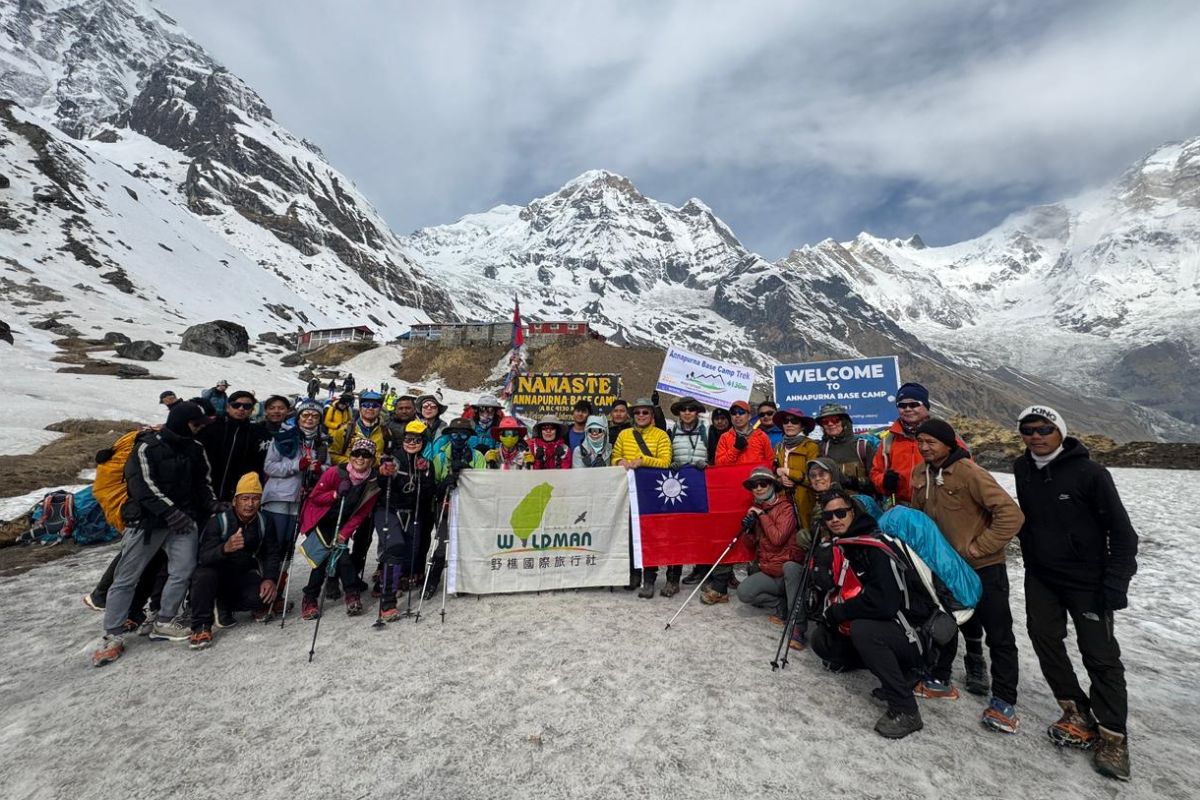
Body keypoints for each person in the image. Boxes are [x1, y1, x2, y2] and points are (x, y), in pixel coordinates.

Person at [1012, 405, 1137, 781]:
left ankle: (1114, 737)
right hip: (1042, 577)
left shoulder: (1091, 473)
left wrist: (1117, 581)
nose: (1036, 435)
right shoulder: (1022, 469)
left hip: (1088, 581)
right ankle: (1075, 711)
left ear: (1060, 431)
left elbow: (1123, 533)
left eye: (1044, 429)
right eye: (1028, 430)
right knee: (1044, 639)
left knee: (1100, 655)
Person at [910, 418, 1024, 734]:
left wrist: (978, 549)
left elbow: (1011, 515)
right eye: (920, 442)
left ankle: (1004, 701)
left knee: (999, 633)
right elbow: (918, 517)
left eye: (930, 441)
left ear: (949, 443)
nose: (924, 447)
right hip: (944, 567)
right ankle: (940, 678)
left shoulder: (970, 473)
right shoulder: (920, 474)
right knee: (946, 623)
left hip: (983, 568)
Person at [91, 402, 217, 666]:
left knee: (182, 570)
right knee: (126, 577)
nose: (198, 430)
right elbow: (142, 486)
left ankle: (164, 620)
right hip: (147, 523)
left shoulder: (196, 449)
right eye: (196, 424)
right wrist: (171, 512)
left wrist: (212, 504)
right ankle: (112, 634)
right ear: (183, 422)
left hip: (183, 521)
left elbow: (203, 483)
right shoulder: (148, 447)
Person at [809, 490, 940, 739]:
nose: (835, 519)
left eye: (840, 513)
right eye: (828, 515)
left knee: (863, 631)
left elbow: (885, 603)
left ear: (854, 512)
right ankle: (894, 672)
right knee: (822, 640)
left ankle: (905, 709)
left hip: (913, 633)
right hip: (891, 627)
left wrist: (839, 612)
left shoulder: (875, 546)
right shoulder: (848, 544)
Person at [187, 473, 280, 648]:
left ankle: (224, 605)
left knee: (263, 598)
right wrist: (225, 548)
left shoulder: (264, 521)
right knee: (203, 576)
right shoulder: (218, 522)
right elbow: (203, 557)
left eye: (255, 499)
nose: (250, 504)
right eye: (245, 498)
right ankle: (201, 625)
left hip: (242, 572)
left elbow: (271, 553)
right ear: (235, 500)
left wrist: (270, 578)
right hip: (216, 573)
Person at [297, 439, 381, 618]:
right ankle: (336, 595)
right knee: (326, 557)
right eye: (356, 454)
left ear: (372, 460)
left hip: (341, 523)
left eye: (366, 455)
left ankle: (316, 596)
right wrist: (334, 494)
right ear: (350, 456)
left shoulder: (372, 483)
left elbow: (361, 513)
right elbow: (315, 497)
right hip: (321, 519)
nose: (360, 458)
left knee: (339, 555)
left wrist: (345, 533)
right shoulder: (336, 473)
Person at [261, 400, 328, 614]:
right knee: (274, 547)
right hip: (279, 498)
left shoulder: (322, 441)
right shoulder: (284, 437)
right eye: (305, 415)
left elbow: (329, 468)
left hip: (303, 500)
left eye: (314, 416)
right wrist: (295, 466)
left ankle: (277, 592)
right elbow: (269, 466)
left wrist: (320, 469)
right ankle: (265, 595)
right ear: (298, 417)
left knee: (287, 548)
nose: (309, 419)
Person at [731, 467, 805, 650]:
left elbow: (778, 538)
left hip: (788, 570)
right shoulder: (759, 510)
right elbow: (751, 545)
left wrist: (762, 516)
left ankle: (798, 626)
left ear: (772, 485)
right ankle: (783, 604)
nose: (758, 488)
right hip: (770, 569)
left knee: (790, 568)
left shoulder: (786, 507)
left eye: (763, 483)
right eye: (754, 486)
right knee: (744, 592)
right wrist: (748, 529)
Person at [375, 421, 436, 621]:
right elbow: (381, 484)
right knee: (394, 546)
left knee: (410, 549)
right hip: (389, 509)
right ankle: (388, 601)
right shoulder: (392, 460)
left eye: (417, 440)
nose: (412, 443)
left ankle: (390, 582)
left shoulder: (426, 464)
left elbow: (427, 494)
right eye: (408, 439)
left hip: (413, 511)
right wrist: (383, 473)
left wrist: (425, 475)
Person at [611, 397, 673, 597]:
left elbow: (665, 462)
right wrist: (620, 460)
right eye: (637, 412)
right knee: (629, 532)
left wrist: (642, 461)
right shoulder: (624, 434)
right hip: (628, 491)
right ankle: (634, 573)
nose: (640, 416)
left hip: (652, 492)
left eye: (645, 412)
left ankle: (649, 577)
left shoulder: (661, 435)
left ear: (651, 415)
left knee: (650, 534)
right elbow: (614, 456)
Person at [424, 418, 487, 599]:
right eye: (454, 434)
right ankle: (432, 582)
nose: (458, 438)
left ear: (469, 437)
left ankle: (463, 580)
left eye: (463, 434)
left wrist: (468, 474)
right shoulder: (441, 457)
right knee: (443, 542)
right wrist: (445, 483)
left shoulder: (477, 457)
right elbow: (433, 488)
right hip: (444, 505)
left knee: (467, 543)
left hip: (469, 508)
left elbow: (482, 485)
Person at [870, 382, 964, 505]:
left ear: (926, 406)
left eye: (914, 404)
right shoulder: (889, 439)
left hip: (940, 506)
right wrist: (884, 482)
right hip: (902, 508)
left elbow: (967, 468)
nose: (908, 409)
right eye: (902, 405)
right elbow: (876, 472)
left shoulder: (945, 434)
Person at [198, 389, 269, 502]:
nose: (241, 409)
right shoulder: (210, 427)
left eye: (246, 406)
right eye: (236, 405)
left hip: (239, 494)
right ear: (228, 407)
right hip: (206, 490)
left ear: (252, 410)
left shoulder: (257, 433)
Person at [815, 402, 877, 495]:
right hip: (833, 504)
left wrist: (851, 482)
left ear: (844, 422)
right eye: (825, 421)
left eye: (835, 420)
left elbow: (876, 482)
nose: (830, 424)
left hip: (863, 505)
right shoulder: (823, 449)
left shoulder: (862, 447)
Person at [773, 409, 819, 529]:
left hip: (807, 503)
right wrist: (779, 479)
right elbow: (773, 474)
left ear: (802, 426)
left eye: (794, 421)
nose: (789, 424)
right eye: (785, 421)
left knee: (807, 538)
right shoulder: (779, 447)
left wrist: (789, 472)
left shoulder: (811, 447)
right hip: (784, 504)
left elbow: (816, 480)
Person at [330, 390, 387, 466]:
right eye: (366, 405)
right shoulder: (345, 430)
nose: (370, 408)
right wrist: (354, 463)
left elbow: (385, 457)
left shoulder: (385, 432)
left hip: (374, 476)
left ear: (380, 409)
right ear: (360, 408)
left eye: (375, 405)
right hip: (347, 475)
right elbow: (332, 455)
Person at [714, 401, 773, 466]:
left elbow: (770, 462)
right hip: (733, 475)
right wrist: (735, 449)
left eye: (741, 412)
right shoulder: (724, 437)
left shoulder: (762, 436)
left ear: (749, 416)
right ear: (731, 417)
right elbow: (719, 464)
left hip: (755, 475)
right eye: (733, 413)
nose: (737, 415)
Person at [667, 396, 708, 467]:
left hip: (701, 476)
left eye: (691, 409)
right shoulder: (674, 429)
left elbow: (714, 455)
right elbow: (668, 454)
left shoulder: (706, 429)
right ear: (679, 413)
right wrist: (672, 463)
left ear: (697, 412)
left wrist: (707, 464)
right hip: (680, 476)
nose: (687, 413)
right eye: (683, 409)